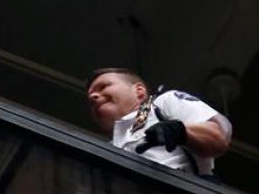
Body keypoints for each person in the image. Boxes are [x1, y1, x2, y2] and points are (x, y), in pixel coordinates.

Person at [85, 67, 232, 179]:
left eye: (103, 86)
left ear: (139, 91)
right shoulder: (108, 149)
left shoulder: (164, 103)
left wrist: (180, 131)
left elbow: (220, 136)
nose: (93, 96)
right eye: (90, 99)